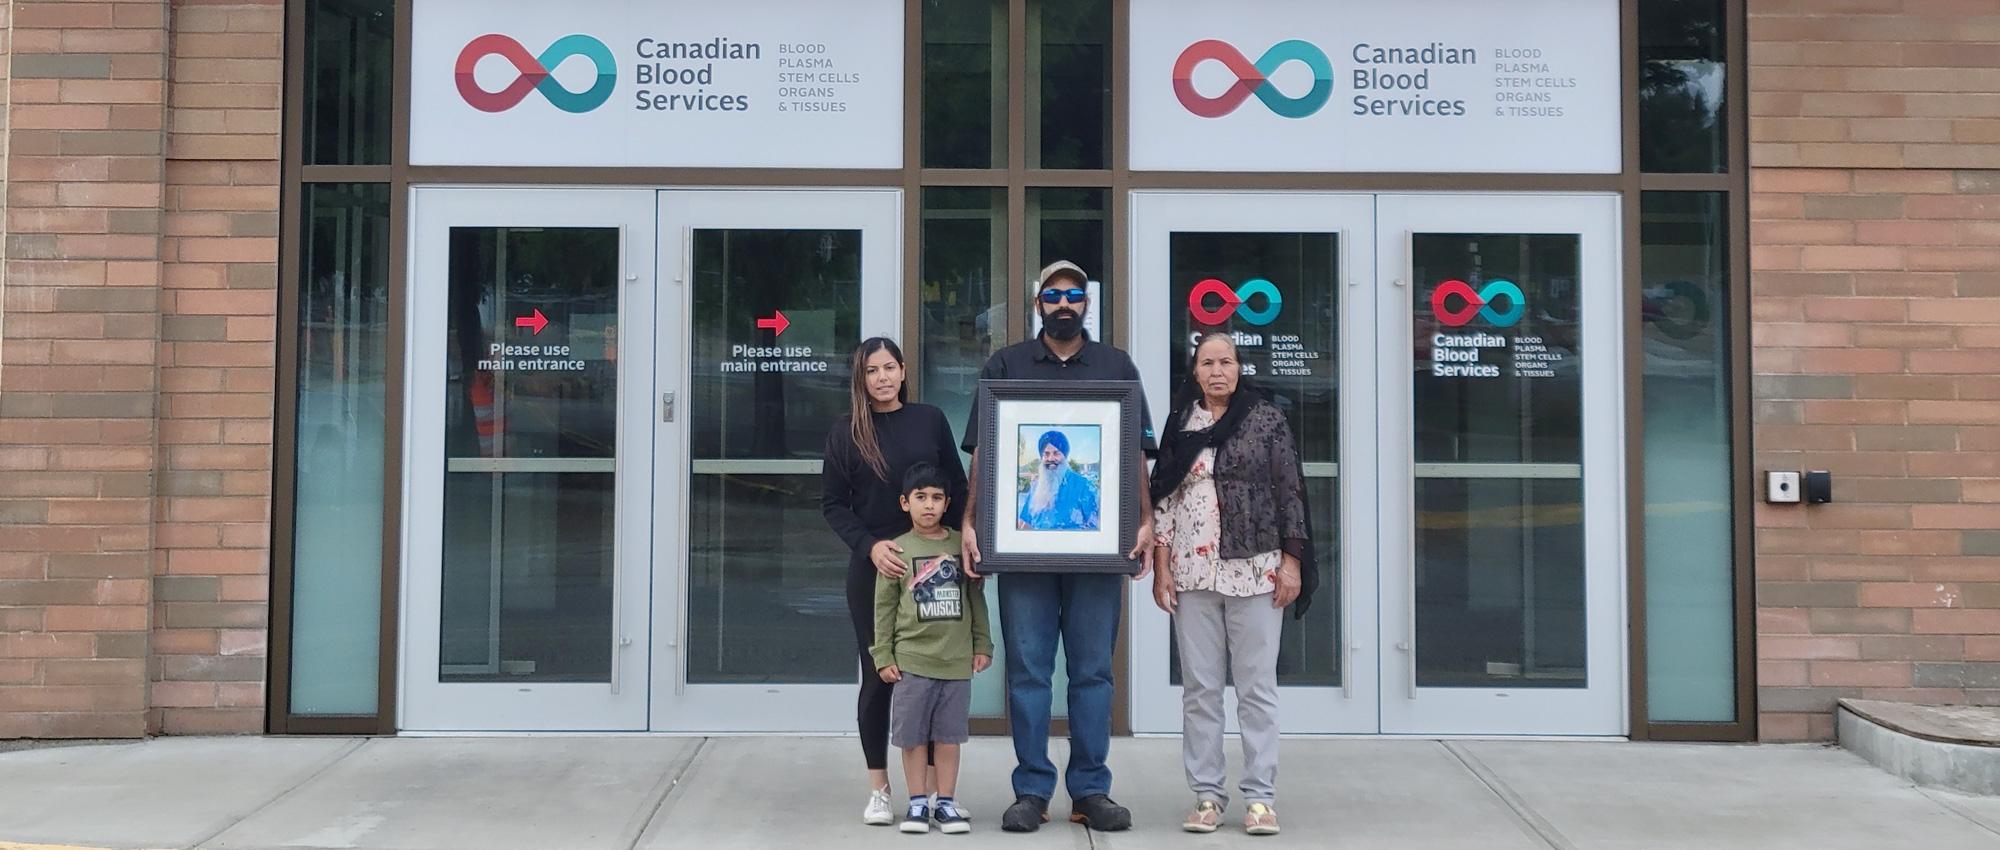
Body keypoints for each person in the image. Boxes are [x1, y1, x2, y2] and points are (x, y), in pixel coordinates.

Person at [960, 260, 1157, 833]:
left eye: (1074, 294)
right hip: (1024, 556)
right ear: (1038, 302)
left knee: (1094, 672)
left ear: (1087, 304)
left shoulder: (1117, 367)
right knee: (1028, 673)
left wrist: (1144, 521)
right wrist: (972, 521)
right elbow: (982, 454)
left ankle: (1091, 789)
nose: (1064, 303)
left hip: (1100, 556)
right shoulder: (1007, 365)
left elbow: (1137, 456)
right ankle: (1032, 790)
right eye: (1053, 294)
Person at [1149, 332, 1316, 837]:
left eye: (1226, 361)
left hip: (1257, 569)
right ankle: (1206, 795)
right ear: (1194, 371)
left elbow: (1291, 491)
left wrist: (1292, 563)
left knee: (1256, 687)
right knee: (1200, 688)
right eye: (1207, 363)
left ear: (1240, 368)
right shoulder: (1182, 423)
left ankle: (1260, 798)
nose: (1217, 371)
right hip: (1192, 572)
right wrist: (1161, 569)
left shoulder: (1265, 419)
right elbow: (1165, 500)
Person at [822, 337, 968, 826]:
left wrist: (956, 541)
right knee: (881, 675)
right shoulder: (846, 433)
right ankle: (880, 788)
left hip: (933, 565)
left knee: (927, 677)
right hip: (876, 567)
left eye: (889, 367)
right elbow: (833, 505)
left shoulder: (929, 420)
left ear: (904, 371)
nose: (882, 378)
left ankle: (928, 795)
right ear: (860, 379)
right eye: (871, 371)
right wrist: (871, 546)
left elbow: (959, 487)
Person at [871, 462, 993, 835]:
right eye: (920, 498)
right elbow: (884, 607)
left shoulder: (961, 544)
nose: (929, 505)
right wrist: (883, 654)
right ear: (905, 503)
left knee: (949, 737)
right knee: (911, 737)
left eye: (936, 498)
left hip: (955, 663)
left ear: (947, 503)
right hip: (912, 662)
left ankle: (946, 803)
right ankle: (918, 803)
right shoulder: (898, 550)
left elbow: (976, 599)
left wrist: (982, 643)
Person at [1017, 430, 1100, 530]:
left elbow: (1098, 527)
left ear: (1065, 456)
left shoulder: (1084, 486)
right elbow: (1024, 523)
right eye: (1046, 454)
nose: (1051, 458)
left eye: (1056, 453)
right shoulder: (1036, 487)